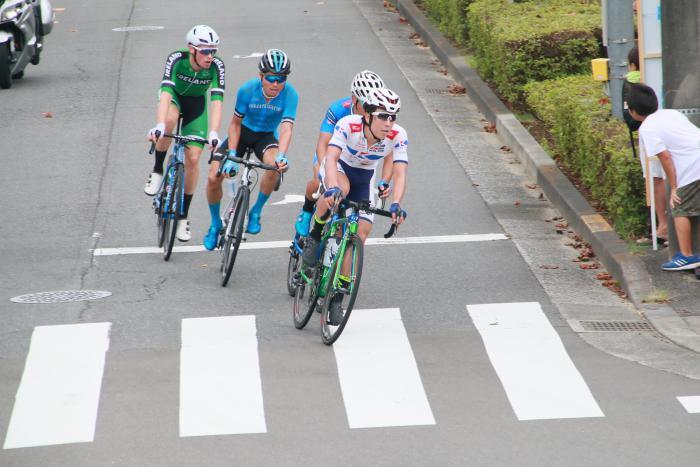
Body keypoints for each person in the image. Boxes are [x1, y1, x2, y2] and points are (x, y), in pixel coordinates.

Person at [301, 88, 409, 324]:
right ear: (368, 115)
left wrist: (396, 204)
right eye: (383, 116)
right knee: (341, 192)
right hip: (338, 168)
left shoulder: (398, 135)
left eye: (393, 117)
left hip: (364, 177)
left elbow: (400, 173)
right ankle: (315, 234)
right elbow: (330, 158)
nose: (389, 123)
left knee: (359, 234)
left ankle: (338, 297)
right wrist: (331, 187)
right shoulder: (349, 124)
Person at [203, 49, 297, 250]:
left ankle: (255, 211)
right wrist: (233, 155)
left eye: (281, 79)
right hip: (242, 134)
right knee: (213, 177)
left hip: (265, 137)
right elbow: (235, 124)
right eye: (271, 78)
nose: (275, 84)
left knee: (274, 167)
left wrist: (282, 155)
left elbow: (287, 127)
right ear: (261, 76)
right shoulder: (247, 90)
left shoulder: (290, 94)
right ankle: (215, 224)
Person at [146, 25, 225, 242]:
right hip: (173, 97)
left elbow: (217, 101)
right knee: (169, 122)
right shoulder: (176, 59)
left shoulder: (217, 66)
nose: (210, 56)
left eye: (213, 51)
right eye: (205, 51)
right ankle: (157, 170)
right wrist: (160, 125)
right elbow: (165, 93)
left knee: (193, 158)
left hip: (196, 106)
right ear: (192, 49)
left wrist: (214, 132)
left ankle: (183, 217)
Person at [293, 70, 389, 236]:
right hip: (332, 153)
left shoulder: (382, 117)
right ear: (354, 99)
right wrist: (324, 173)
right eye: (366, 103)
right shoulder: (339, 109)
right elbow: (323, 144)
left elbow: (389, 151)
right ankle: (308, 210)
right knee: (320, 181)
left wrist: (385, 181)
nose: (370, 108)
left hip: (357, 162)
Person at [627, 83, 700, 270]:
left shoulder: (647, 128)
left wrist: (674, 187)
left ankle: (686, 256)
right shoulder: (670, 113)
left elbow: (665, 157)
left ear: (634, 111)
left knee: (679, 206)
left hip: (693, 166)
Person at [622, 46, 668, 243]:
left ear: (633, 64)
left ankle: (663, 226)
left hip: (652, 135)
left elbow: (631, 121)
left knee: (657, 177)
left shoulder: (631, 82)